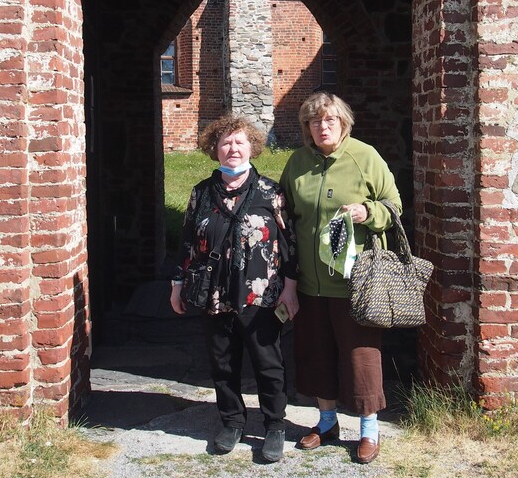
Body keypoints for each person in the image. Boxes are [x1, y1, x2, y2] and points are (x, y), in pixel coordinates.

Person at [280, 91, 402, 465]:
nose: (323, 126)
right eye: (314, 121)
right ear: (307, 127)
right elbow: (284, 215)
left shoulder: (365, 157)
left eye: (330, 119)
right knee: (315, 353)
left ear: (343, 122)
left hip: (356, 283)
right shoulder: (298, 162)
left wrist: (368, 212)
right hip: (310, 282)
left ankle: (368, 430)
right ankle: (327, 422)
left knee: (360, 355)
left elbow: (394, 206)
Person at [170, 114, 298, 463]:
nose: (233, 148)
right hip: (214, 294)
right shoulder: (201, 193)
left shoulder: (270, 192)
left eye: (240, 141)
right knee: (223, 363)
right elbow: (187, 242)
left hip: (261, 294)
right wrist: (177, 284)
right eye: (225, 142)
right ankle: (231, 422)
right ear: (214, 149)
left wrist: (290, 287)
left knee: (268, 363)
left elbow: (289, 243)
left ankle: (274, 425)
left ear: (252, 147)